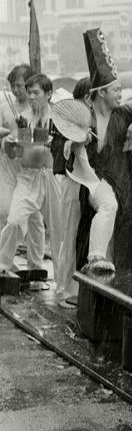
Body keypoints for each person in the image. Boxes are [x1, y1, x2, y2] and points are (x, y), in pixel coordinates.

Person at [72, 29, 132, 273]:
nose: (120, 94)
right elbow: (65, 157)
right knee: (105, 212)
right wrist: (76, 141)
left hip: (126, 190)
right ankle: (95, 262)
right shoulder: (82, 119)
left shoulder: (126, 114)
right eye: (116, 90)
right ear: (101, 92)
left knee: (126, 250)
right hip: (94, 189)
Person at [0, 74, 62, 284]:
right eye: (30, 93)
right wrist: (10, 145)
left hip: (52, 177)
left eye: (36, 93)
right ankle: (2, 265)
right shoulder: (22, 118)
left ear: (49, 94)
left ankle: (63, 283)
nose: (32, 97)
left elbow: (65, 148)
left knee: (58, 232)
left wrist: (53, 143)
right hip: (27, 177)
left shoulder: (58, 118)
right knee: (15, 221)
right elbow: (14, 154)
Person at [0, 64, 45, 269]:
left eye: (20, 86)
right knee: (8, 211)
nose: (16, 90)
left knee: (34, 218)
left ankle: (35, 264)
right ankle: (5, 261)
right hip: (8, 164)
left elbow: (41, 140)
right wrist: (7, 139)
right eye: (13, 86)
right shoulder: (4, 105)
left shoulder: (36, 109)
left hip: (29, 166)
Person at [52, 77, 91, 308]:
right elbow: (59, 151)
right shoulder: (67, 121)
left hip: (88, 186)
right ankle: (63, 289)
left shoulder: (95, 120)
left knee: (84, 237)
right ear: (87, 98)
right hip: (73, 184)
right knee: (70, 235)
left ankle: (80, 289)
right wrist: (76, 141)